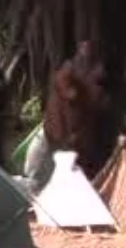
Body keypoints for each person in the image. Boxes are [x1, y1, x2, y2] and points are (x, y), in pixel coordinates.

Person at [43, 48, 111, 181]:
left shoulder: (85, 82)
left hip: (77, 134)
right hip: (67, 135)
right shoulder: (70, 79)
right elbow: (70, 98)